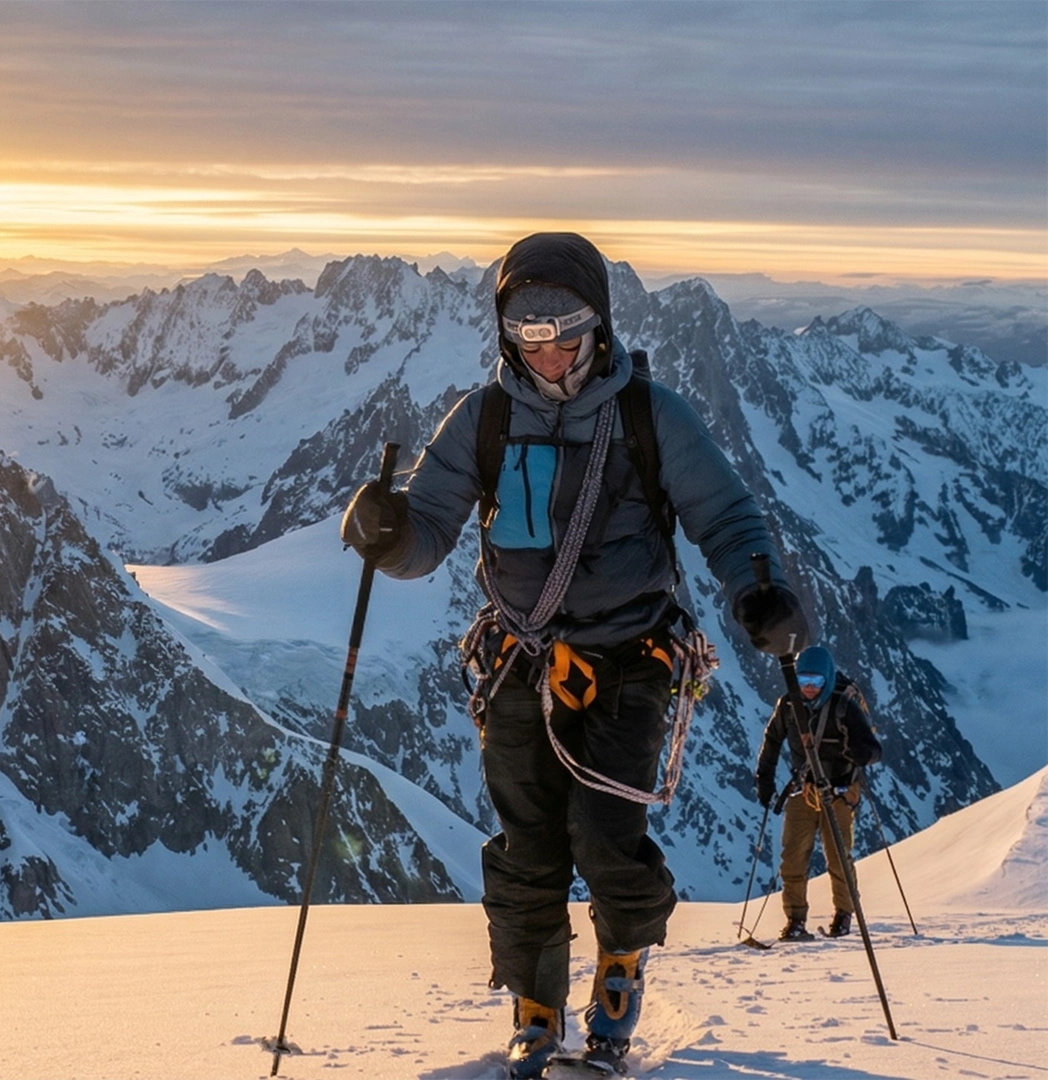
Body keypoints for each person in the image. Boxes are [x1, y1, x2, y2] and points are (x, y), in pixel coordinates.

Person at [339, 232, 810, 1078]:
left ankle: (620, 970)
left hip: (632, 657)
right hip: (523, 661)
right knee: (528, 843)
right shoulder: (482, 420)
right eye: (528, 334)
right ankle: (536, 1009)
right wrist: (386, 534)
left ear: (600, 326)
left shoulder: (650, 417)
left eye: (565, 331)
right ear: (505, 335)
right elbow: (429, 531)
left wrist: (759, 593)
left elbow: (727, 520)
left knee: (603, 834)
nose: (549, 351)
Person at [753, 644, 882, 941]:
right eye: (803, 681)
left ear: (827, 679)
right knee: (793, 858)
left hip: (840, 791)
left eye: (816, 682)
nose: (809, 689)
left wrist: (860, 753)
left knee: (837, 856)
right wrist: (765, 779)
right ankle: (795, 920)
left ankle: (844, 914)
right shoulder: (789, 706)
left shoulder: (844, 706)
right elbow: (772, 740)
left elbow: (874, 750)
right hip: (806, 788)